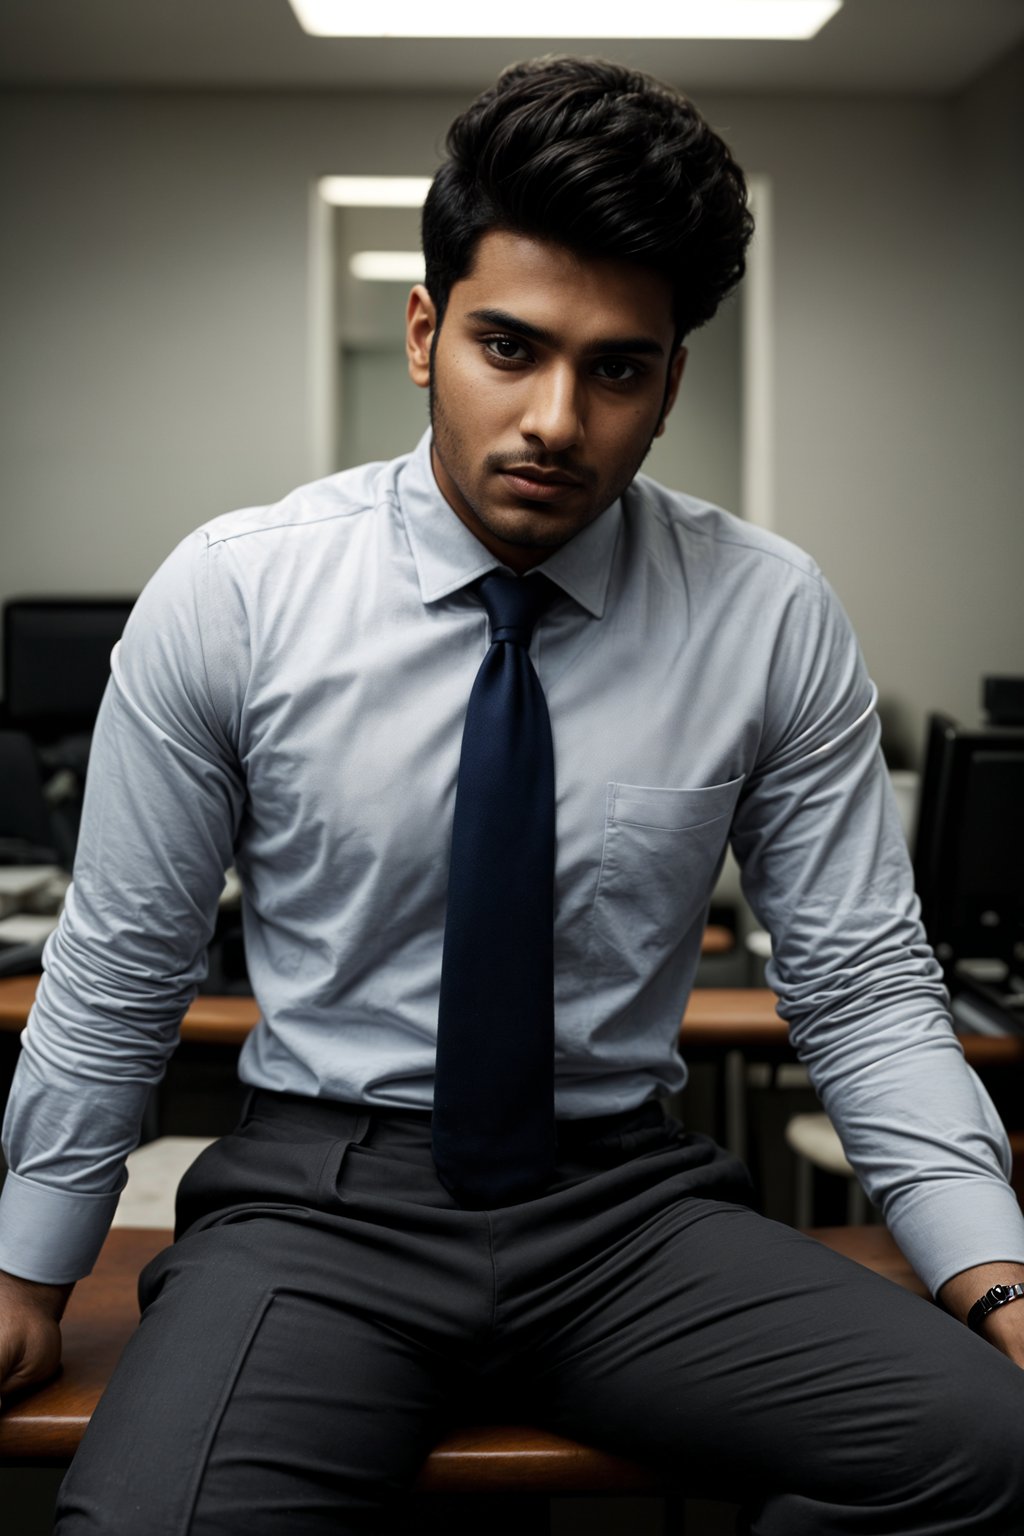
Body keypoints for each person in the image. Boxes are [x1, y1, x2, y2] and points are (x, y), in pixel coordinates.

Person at [2, 55, 1023, 1535]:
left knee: (987, 1446)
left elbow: (861, 983)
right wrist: (29, 1268)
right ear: (424, 333)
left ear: (670, 384)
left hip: (624, 1210)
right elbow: (121, 964)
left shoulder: (766, 611)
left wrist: (996, 1273)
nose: (556, 417)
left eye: (617, 367)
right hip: (321, 1200)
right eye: (509, 346)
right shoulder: (234, 593)